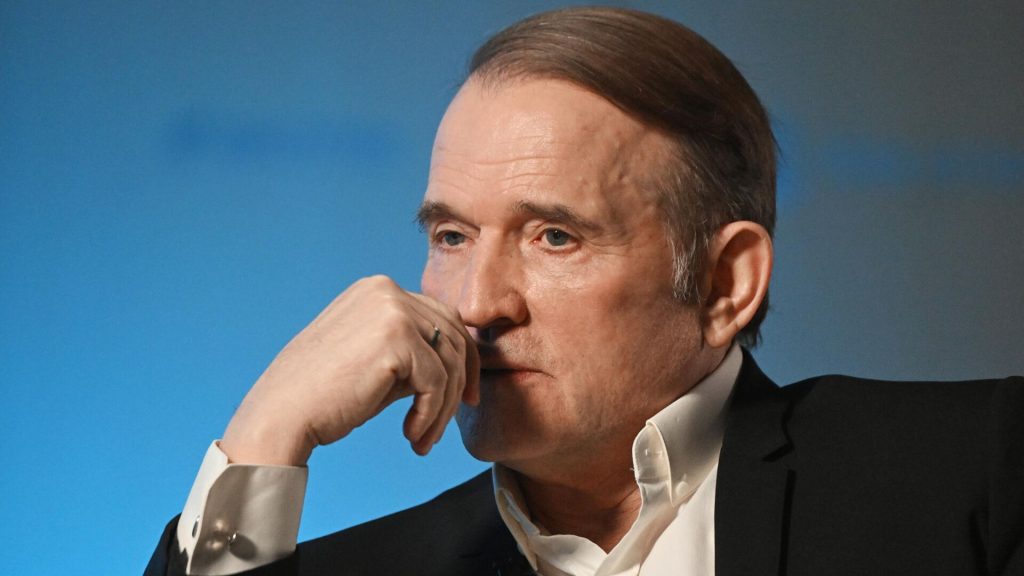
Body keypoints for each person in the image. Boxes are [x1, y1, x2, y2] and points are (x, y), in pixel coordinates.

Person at [146, 7, 1024, 576]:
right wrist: (265, 433)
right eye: (451, 236)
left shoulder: (974, 472)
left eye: (554, 236)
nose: (477, 304)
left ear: (726, 283)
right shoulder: (359, 567)